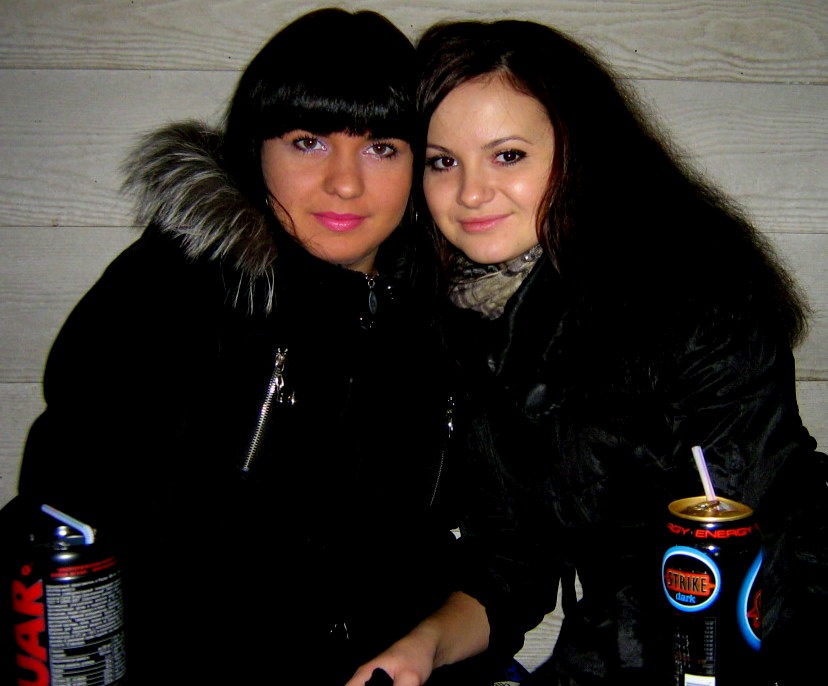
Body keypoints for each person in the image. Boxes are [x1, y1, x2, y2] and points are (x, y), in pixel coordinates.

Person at [0, 9, 519, 685]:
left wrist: (426, 645)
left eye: (382, 148)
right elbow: (68, 530)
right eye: (308, 142)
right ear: (255, 147)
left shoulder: (455, 320)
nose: (345, 183)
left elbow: (503, 551)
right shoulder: (173, 294)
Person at [346, 18, 828, 686]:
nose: (471, 193)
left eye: (508, 155)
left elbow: (725, 563)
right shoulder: (473, 320)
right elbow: (513, 557)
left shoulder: (693, 302)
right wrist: (424, 646)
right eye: (442, 162)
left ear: (578, 154)